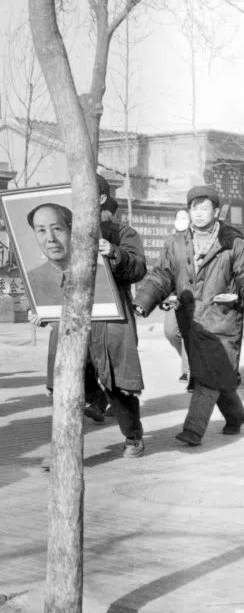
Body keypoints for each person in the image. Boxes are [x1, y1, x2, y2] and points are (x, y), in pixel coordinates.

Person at [32, 175, 148, 464]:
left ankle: (132, 435)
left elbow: (139, 269)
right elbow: (53, 274)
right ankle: (63, 450)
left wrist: (115, 253)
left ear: (98, 199)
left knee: (117, 383)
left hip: (109, 317)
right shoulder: (64, 229)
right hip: (71, 317)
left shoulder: (121, 233)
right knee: (67, 380)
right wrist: (42, 310)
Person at [134, 185, 244, 447]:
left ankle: (193, 430)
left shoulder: (234, 243)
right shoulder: (176, 242)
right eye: (194, 207)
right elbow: (162, 274)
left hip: (224, 320)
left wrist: (237, 297)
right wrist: (143, 300)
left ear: (217, 211)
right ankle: (237, 416)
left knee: (209, 374)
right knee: (217, 374)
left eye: (204, 208)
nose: (198, 213)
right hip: (191, 320)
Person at [161, 210, 191, 382]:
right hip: (174, 295)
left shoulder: (196, 241)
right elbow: (164, 270)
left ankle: (188, 369)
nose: (181, 221)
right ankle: (193, 361)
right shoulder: (170, 242)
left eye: (184, 218)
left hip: (193, 295)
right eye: (178, 218)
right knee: (171, 331)